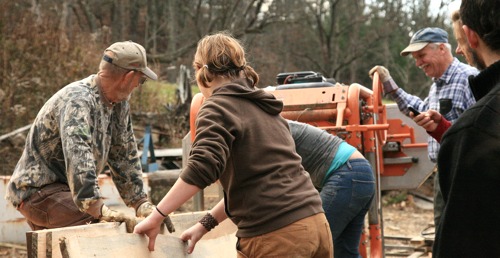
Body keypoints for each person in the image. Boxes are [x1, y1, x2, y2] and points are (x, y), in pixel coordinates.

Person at [133, 32, 332, 257]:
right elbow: (256, 183)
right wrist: (204, 225)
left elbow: (201, 168)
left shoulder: (217, 107)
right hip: (316, 224)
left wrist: (157, 215)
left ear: (200, 71)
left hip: (276, 234)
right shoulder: (265, 108)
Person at [5, 41, 174, 233]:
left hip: (65, 192)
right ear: (128, 77)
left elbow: (124, 154)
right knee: (105, 228)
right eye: (140, 80)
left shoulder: (119, 104)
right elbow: (79, 154)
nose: (138, 86)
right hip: (37, 192)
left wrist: (140, 202)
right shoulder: (78, 101)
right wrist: (95, 207)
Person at [368, 27, 478, 232]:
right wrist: (389, 85)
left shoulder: (469, 78)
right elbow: (421, 110)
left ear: (442, 49)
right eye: (415, 59)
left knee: (465, 232)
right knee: (444, 230)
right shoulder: (437, 84)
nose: (418, 63)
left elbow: (481, 130)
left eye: (421, 56)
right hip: (444, 170)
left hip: (467, 173)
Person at [431, 0, 500, 256]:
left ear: (471, 36)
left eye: (460, 41)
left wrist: (455, 135)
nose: (460, 50)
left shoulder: (474, 131)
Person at [288, 120, 375, 258]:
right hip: (361, 174)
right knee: (344, 252)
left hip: (347, 174)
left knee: (312, 243)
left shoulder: (273, 130)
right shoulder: (278, 125)